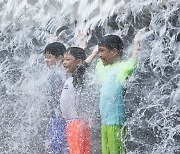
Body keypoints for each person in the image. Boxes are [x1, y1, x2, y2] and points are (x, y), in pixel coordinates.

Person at [60, 46, 99, 154]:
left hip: (76, 123)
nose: (64, 62)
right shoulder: (71, 77)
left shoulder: (77, 77)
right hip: (73, 123)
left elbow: (83, 67)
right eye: (63, 59)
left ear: (79, 62)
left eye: (68, 59)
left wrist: (94, 52)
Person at [44, 42, 68, 154]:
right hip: (54, 117)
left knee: (63, 146)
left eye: (49, 57)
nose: (46, 60)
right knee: (55, 146)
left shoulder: (63, 73)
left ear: (59, 58)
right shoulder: (52, 73)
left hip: (63, 118)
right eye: (45, 57)